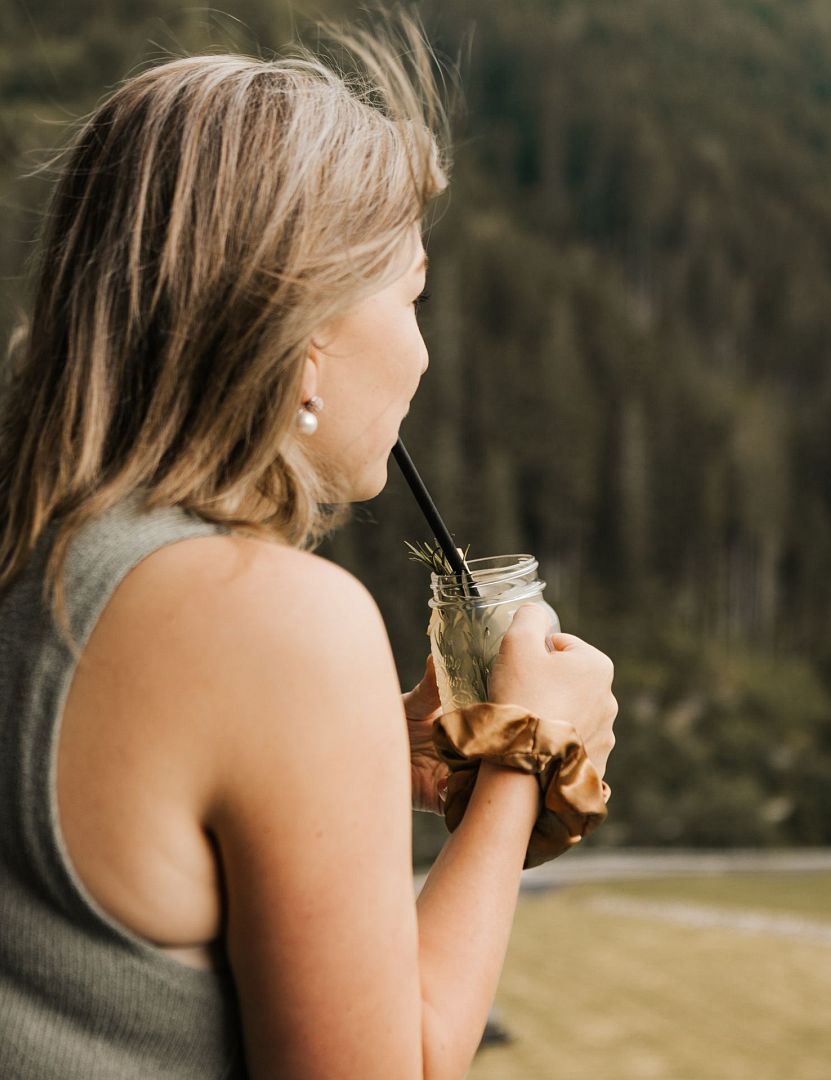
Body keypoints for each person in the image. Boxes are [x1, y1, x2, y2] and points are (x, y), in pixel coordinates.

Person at [0, 14, 617, 1079]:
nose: (421, 357)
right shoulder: (271, 616)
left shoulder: (45, 550)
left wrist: (369, 753)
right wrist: (526, 755)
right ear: (307, 322)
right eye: (412, 295)